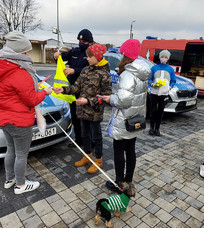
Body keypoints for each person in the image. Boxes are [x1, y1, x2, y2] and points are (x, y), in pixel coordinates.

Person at [0, 31, 52, 194]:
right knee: (21, 154)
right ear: (18, 52)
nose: (28, 53)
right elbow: (31, 100)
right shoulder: (19, 72)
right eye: (25, 51)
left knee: (11, 150)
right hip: (20, 120)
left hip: (3, 119)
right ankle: (21, 185)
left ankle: (10, 179)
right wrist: (46, 92)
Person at [100, 39, 151, 191]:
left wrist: (110, 99)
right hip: (135, 118)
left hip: (124, 119)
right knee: (130, 150)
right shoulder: (141, 73)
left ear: (125, 54)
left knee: (119, 151)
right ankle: (128, 181)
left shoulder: (128, 74)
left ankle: (119, 183)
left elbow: (124, 100)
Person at [53, 43, 111, 174]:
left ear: (97, 56)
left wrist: (88, 101)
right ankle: (88, 156)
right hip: (82, 110)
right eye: (87, 56)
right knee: (84, 135)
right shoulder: (85, 70)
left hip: (94, 113)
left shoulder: (104, 74)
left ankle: (98, 160)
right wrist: (63, 89)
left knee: (96, 137)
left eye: (90, 57)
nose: (87, 59)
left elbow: (106, 97)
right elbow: (77, 87)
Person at [53, 29, 94, 147]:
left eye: (84, 41)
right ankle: (78, 140)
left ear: (90, 42)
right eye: (80, 40)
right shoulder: (74, 52)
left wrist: (74, 70)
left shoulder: (92, 54)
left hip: (86, 91)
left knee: (86, 118)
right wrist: (56, 56)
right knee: (75, 116)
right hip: (72, 91)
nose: (81, 42)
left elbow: (92, 71)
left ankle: (90, 142)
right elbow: (61, 57)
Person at [148, 50, 176, 136]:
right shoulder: (154, 68)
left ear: (167, 59)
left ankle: (157, 128)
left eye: (165, 57)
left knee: (160, 111)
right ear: (160, 58)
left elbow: (173, 81)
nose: (164, 59)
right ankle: (151, 128)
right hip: (154, 92)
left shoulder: (170, 69)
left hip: (164, 93)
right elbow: (149, 79)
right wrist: (152, 84)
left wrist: (169, 87)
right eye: (162, 57)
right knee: (153, 110)